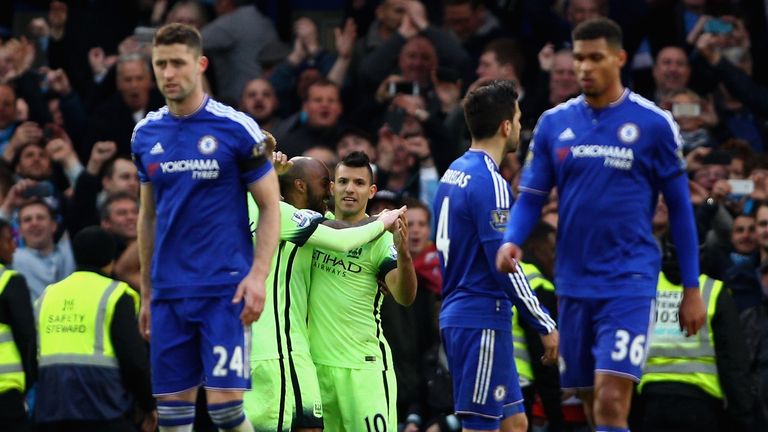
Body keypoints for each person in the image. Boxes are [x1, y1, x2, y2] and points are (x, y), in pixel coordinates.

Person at [496, 18, 706, 432]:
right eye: (578, 59)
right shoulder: (555, 123)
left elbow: (680, 209)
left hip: (628, 280)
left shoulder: (653, 124)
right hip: (573, 282)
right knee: (591, 407)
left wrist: (692, 289)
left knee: (612, 401)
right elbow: (533, 197)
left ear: (619, 58)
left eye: (595, 58)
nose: (585, 68)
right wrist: (512, 240)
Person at [131, 23, 280, 432]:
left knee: (226, 412)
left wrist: (258, 277)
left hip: (224, 289)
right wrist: (146, 292)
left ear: (200, 65)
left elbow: (270, 206)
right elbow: (148, 216)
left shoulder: (236, 128)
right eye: (160, 64)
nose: (168, 73)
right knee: (174, 417)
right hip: (169, 293)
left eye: (178, 63)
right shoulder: (145, 134)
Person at [245, 154, 406, 432]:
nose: (331, 192)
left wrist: (397, 259)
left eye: (356, 182)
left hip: (253, 351)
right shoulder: (280, 212)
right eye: (327, 183)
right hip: (281, 354)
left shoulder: (245, 201)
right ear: (300, 186)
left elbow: (404, 294)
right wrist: (382, 221)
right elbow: (340, 238)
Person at [432, 80, 558, 432]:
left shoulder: (453, 172)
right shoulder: (490, 182)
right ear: (506, 126)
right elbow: (505, 264)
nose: (519, 126)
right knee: (481, 427)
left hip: (468, 312)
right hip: (479, 318)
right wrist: (545, 324)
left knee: (515, 423)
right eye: (517, 119)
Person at [308, 151, 418, 432]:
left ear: (371, 191)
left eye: (358, 183)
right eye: (343, 181)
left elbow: (405, 297)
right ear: (332, 187)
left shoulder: (380, 239)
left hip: (364, 368)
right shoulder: (316, 228)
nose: (349, 189)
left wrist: (404, 255)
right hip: (314, 367)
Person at [34, 226, 155, 432]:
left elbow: (32, 350)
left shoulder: (48, 295)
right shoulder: (116, 294)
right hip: (103, 406)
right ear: (110, 259)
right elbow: (133, 359)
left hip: (51, 406)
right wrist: (148, 404)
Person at [638, 243, 754, 432]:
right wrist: (744, 418)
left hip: (651, 405)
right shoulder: (714, 291)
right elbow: (734, 364)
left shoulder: (647, 289)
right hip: (701, 406)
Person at [0, 219, 35, 432]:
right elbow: (27, 337)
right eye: (9, 240)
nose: (14, 246)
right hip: (6, 391)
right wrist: (29, 380)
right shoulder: (9, 280)